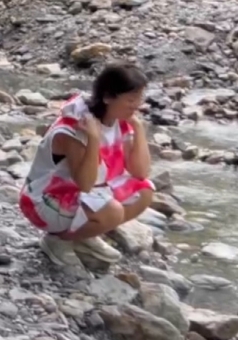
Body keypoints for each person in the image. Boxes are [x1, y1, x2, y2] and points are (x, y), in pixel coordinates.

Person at [19, 63, 154, 274]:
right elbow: (85, 182)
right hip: (45, 201)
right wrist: (93, 137)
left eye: (139, 98)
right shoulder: (75, 128)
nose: (137, 105)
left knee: (144, 191)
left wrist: (138, 128)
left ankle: (84, 235)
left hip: (81, 195)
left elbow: (140, 172)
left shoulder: (119, 120)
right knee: (112, 212)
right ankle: (57, 240)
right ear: (108, 97)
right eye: (131, 99)